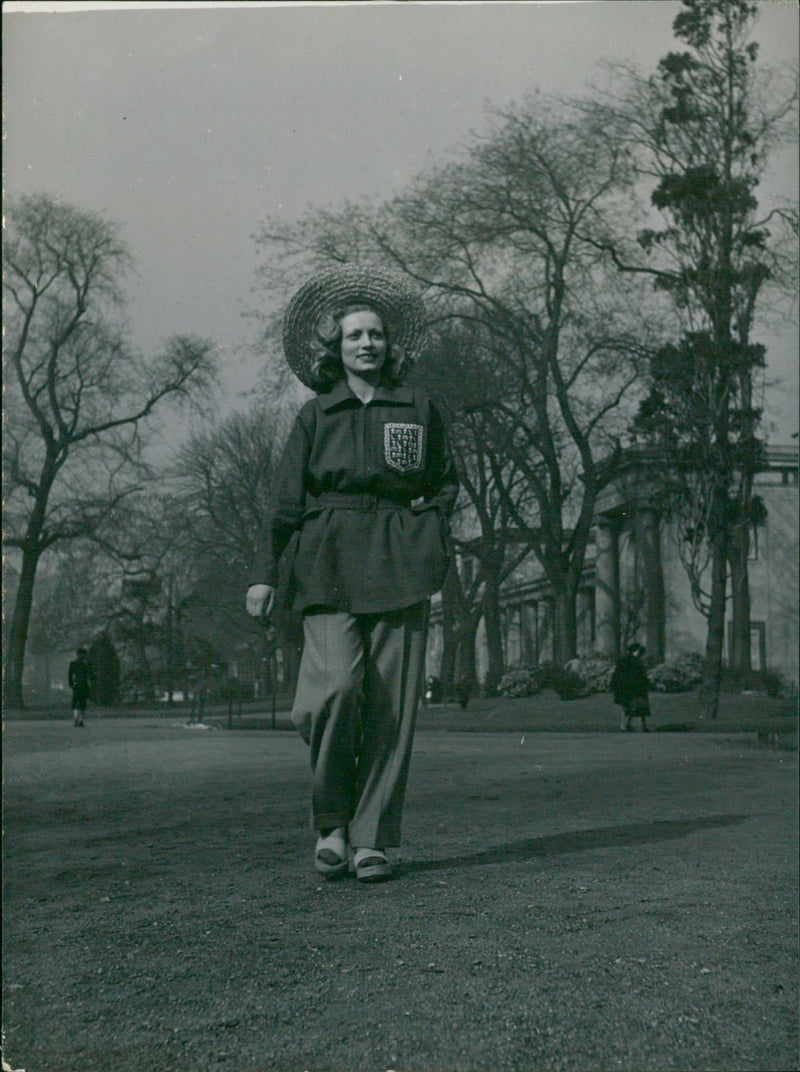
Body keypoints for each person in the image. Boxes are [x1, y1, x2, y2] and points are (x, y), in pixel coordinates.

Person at [246, 264, 459, 883]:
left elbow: (446, 480)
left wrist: (430, 522)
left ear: (391, 345)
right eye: (354, 336)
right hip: (327, 562)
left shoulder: (418, 407)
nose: (367, 343)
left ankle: (369, 840)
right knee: (335, 690)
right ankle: (331, 821)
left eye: (376, 335)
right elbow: (287, 503)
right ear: (335, 349)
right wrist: (265, 574)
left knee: (391, 709)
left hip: (401, 560)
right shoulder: (317, 416)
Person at [611, 643, 651, 732]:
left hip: (630, 687)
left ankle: (626, 725)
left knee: (630, 706)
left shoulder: (626, 660)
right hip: (632, 687)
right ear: (635, 651)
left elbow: (616, 675)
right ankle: (633, 725)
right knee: (634, 706)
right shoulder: (632, 661)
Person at [68, 646, 94, 727]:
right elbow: (91, 675)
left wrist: (71, 684)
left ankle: (79, 720)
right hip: (81, 685)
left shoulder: (75, 664)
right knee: (79, 703)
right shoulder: (84, 664)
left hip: (79, 685)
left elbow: (70, 675)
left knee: (80, 704)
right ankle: (78, 720)